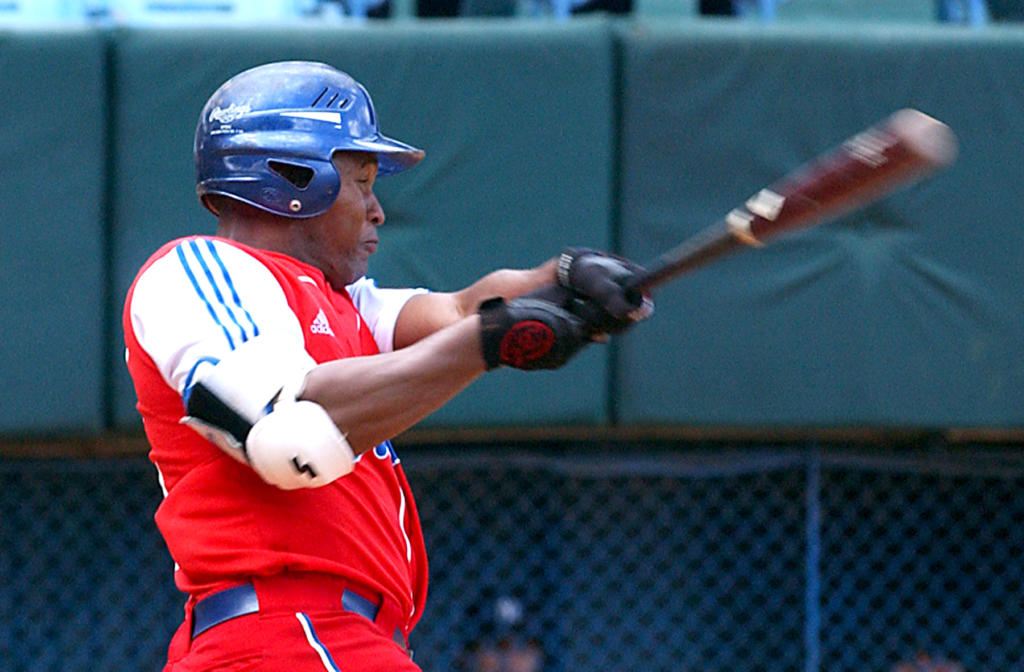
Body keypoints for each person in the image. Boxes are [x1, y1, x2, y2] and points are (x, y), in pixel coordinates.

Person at [123, 60, 651, 672]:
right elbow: (288, 435)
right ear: (294, 175)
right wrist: (488, 341)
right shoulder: (197, 271)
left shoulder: (342, 304)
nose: (377, 211)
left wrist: (563, 282)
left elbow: (460, 310)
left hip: (335, 640)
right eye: (362, 182)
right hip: (286, 633)